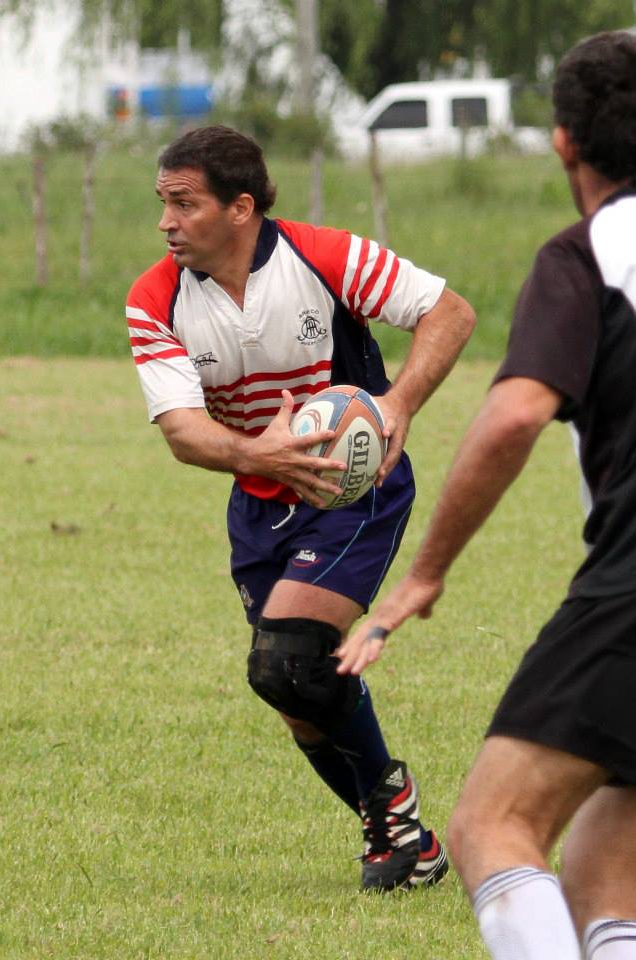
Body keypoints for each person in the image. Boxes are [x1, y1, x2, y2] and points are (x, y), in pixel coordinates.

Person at [337, 29, 636, 954]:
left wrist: (422, 575)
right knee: (601, 865)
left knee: (489, 827)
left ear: (561, 142)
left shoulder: (587, 255)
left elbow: (512, 416)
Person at [126, 124, 475, 892]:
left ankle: (395, 825)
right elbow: (183, 432)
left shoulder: (324, 255)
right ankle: (402, 832)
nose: (166, 223)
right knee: (287, 686)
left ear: (240, 207)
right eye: (162, 204)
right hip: (257, 508)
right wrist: (257, 456)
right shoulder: (155, 299)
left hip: (355, 490)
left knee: (286, 656)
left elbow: (449, 312)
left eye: (183, 205)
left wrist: (399, 404)